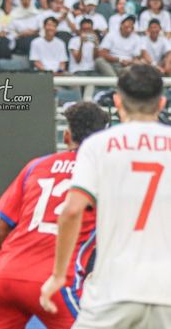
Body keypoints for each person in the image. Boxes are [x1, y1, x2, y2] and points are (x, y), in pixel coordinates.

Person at [40, 65, 171, 328]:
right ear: (161, 102)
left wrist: (57, 275)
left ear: (117, 101)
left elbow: (72, 210)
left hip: (113, 288)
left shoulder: (97, 145)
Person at [0, 102, 110, 329]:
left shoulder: (36, 166)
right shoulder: (105, 174)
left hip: (5, 276)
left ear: (67, 135)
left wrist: (20, 267)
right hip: (58, 280)